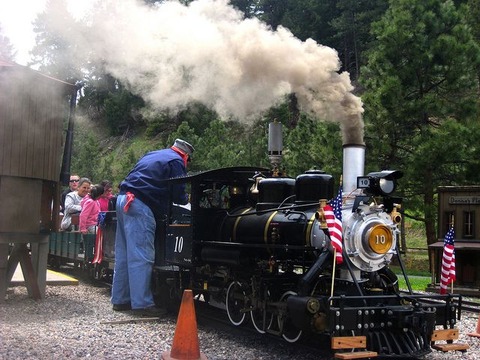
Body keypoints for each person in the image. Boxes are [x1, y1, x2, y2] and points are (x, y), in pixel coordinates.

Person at [111, 139, 194, 316]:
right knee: (142, 256)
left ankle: (120, 300)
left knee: (124, 254)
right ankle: (142, 304)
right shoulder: (176, 161)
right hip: (139, 204)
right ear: (186, 155)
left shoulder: (153, 154)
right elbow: (179, 196)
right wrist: (188, 201)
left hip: (123, 200)